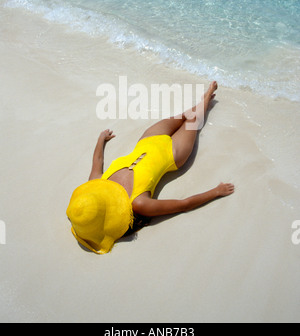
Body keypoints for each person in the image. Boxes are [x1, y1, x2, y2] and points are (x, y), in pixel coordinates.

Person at [67, 81, 235, 254]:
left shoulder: (97, 182)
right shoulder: (138, 203)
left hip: (148, 139)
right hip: (173, 153)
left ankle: (202, 102)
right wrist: (216, 191)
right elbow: (183, 204)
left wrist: (101, 139)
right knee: (194, 118)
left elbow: (98, 159)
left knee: (186, 114)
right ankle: (207, 98)